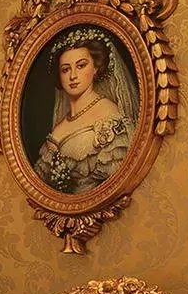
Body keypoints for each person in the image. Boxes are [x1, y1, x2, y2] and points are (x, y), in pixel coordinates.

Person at [32, 27, 136, 194]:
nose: (73, 76)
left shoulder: (109, 115)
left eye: (81, 66)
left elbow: (116, 181)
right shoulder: (59, 126)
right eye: (65, 69)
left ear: (96, 68)